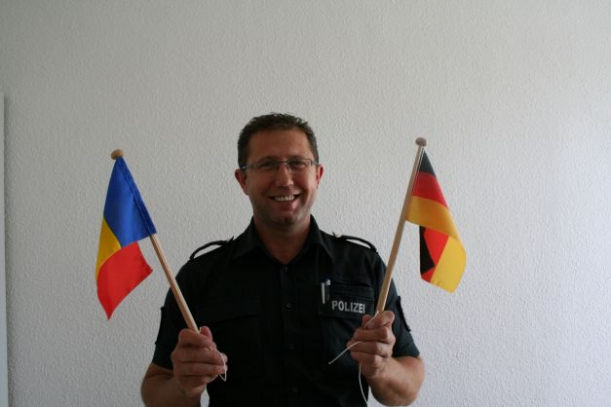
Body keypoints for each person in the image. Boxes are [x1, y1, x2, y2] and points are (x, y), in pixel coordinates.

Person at [141, 113, 424, 406]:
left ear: (318, 175)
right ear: (243, 180)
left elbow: (408, 387)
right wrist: (183, 386)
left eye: (298, 163)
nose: (285, 179)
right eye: (267, 164)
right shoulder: (200, 276)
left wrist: (382, 368)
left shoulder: (364, 266)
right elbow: (156, 386)